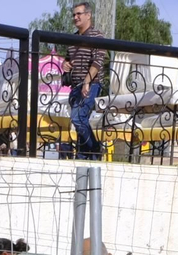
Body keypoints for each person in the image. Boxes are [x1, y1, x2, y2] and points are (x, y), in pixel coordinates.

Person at [61, 1, 106, 160]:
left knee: (78, 118)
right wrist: (65, 64)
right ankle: (85, 157)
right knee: (81, 121)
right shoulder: (72, 39)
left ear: (88, 15)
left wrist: (87, 81)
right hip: (75, 86)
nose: (75, 17)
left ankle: (95, 148)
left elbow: (98, 62)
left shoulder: (97, 36)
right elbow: (68, 60)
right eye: (74, 14)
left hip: (91, 84)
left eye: (79, 14)